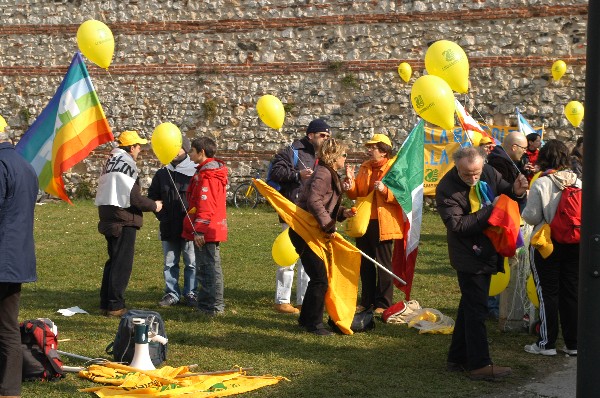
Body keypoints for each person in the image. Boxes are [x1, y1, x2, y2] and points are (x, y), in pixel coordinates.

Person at [436, 146, 527, 380]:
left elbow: (507, 193)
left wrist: (517, 191)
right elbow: (458, 226)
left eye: (476, 172)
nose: (473, 178)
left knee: (469, 306)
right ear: (457, 168)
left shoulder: (488, 171)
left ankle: (456, 358)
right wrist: (491, 210)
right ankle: (479, 364)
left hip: (488, 248)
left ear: (482, 164)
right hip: (468, 255)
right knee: (477, 310)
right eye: (467, 174)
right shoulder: (447, 188)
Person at [288, 138, 355, 335]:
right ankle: (314, 324)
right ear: (334, 157)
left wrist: (343, 213)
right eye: (344, 155)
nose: (345, 159)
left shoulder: (328, 172)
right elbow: (314, 200)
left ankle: (306, 319)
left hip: (309, 231)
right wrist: (328, 225)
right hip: (304, 232)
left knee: (318, 277)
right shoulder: (324, 173)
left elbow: (326, 204)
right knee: (320, 278)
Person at [521, 139, 580, 356]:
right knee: (571, 292)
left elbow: (532, 216)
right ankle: (573, 343)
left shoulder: (542, 183)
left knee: (548, 292)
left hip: (547, 243)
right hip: (574, 243)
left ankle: (547, 343)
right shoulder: (578, 181)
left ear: (544, 158)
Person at [95, 130, 163, 317]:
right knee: (121, 264)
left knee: (113, 261)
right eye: (138, 146)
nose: (140, 150)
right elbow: (135, 198)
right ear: (131, 147)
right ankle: (116, 306)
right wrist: (154, 205)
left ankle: (105, 303)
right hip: (123, 219)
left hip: (108, 217)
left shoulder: (110, 160)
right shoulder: (126, 163)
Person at [267, 118, 331, 314]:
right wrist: (297, 175)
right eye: (322, 135)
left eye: (328, 136)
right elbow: (276, 171)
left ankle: (304, 300)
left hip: (312, 215)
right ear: (310, 135)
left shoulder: (325, 154)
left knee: (309, 260)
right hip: (292, 212)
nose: (326, 139)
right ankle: (282, 300)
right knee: (288, 258)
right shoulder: (292, 150)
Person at [0, 118, 38, 397]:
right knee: (7, 327)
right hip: (16, 256)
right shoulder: (24, 165)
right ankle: (10, 388)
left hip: (3, 256)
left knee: (5, 329)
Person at [344, 133, 403, 314]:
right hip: (364, 222)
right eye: (368, 147)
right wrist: (350, 185)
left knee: (383, 264)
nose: (369, 150)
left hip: (384, 223)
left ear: (384, 152)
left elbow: (402, 196)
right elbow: (358, 193)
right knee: (366, 262)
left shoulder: (394, 168)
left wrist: (385, 190)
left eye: (373, 148)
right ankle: (367, 301)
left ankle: (383, 303)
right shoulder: (364, 166)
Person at [148, 137, 198, 308]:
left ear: (184, 149)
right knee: (170, 262)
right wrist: (162, 217)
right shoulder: (162, 173)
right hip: (169, 226)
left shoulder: (194, 171)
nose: (174, 151)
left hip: (189, 227)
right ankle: (172, 293)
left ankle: (191, 292)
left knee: (191, 262)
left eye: (178, 147)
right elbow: (153, 198)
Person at [484, 131, 529, 320]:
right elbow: (502, 193)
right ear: (514, 147)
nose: (526, 152)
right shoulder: (499, 164)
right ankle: (491, 305)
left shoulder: (509, 162)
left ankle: (493, 303)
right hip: (500, 220)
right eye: (524, 148)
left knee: (501, 262)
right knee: (495, 262)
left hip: (507, 218)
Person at [182, 137, 228, 316]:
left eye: (192, 151)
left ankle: (213, 307)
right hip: (212, 226)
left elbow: (206, 203)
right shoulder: (208, 171)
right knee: (208, 267)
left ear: (201, 152)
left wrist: (199, 229)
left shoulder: (207, 175)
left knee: (208, 269)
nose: (189, 154)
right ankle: (207, 304)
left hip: (207, 228)